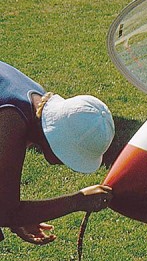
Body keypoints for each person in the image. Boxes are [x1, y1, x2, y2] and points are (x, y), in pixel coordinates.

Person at [0, 61, 114, 245]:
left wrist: (17, 217)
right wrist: (77, 201)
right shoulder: (12, 121)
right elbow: (5, 211)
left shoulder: (34, 102)